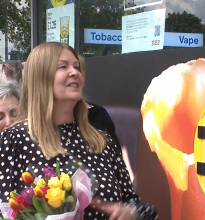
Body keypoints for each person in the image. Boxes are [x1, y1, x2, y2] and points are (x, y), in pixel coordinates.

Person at [0, 42, 158, 220]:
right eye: (63, 66)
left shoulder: (100, 140)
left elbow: (133, 202)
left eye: (77, 66)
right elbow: (6, 210)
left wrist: (132, 213)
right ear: (40, 77)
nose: (74, 72)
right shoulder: (15, 138)